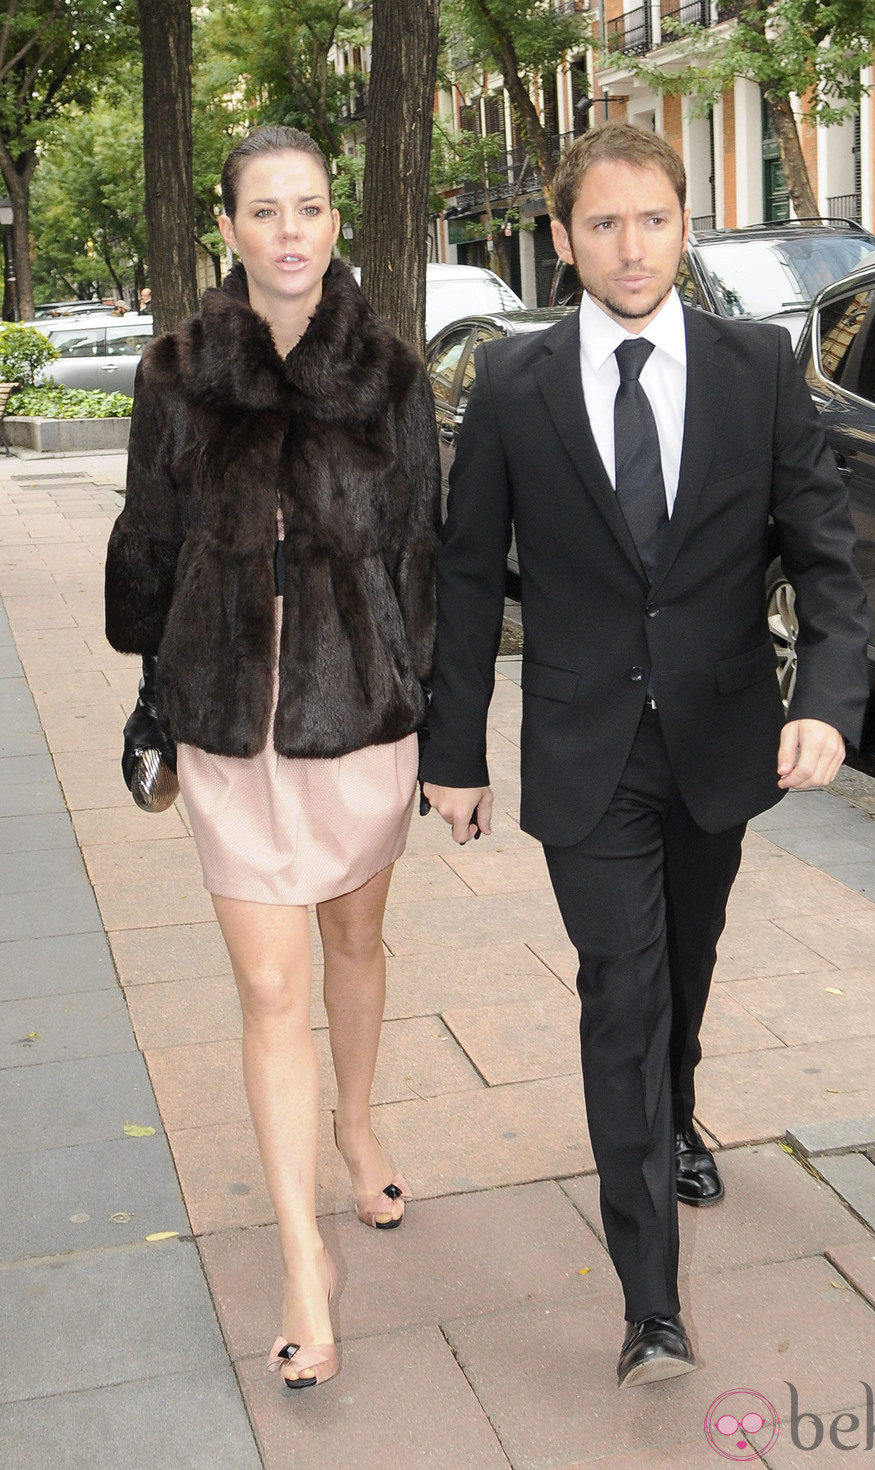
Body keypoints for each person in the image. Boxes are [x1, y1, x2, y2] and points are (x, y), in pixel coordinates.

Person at [419, 122, 868, 1388]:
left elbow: (823, 553)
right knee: (619, 988)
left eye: (652, 220)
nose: (629, 246)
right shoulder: (513, 382)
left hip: (720, 739)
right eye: (601, 224)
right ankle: (650, 1304)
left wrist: (826, 698)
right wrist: (452, 752)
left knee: (680, 966)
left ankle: (673, 1107)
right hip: (582, 746)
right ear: (563, 239)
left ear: (683, 222)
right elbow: (465, 580)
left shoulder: (754, 369)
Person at [105, 125, 440, 1390]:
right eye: (265, 210)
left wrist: (429, 711)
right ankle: (306, 1262)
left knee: (352, 943)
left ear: (334, 222)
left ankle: (356, 1128)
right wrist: (150, 679)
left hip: (358, 712)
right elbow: (149, 533)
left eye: (309, 208)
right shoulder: (175, 372)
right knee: (264, 991)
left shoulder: (392, 376)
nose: (290, 231)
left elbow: (424, 546)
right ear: (230, 228)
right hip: (227, 704)